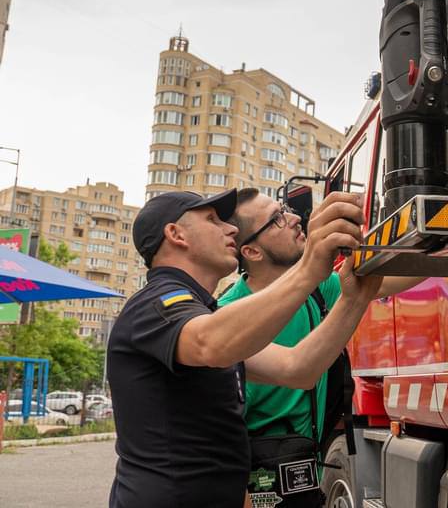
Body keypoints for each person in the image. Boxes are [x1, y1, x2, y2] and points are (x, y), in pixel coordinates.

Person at [107, 188, 373, 508]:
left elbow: (297, 369)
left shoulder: (208, 316)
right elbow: (209, 343)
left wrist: (355, 299)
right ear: (176, 234)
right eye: (212, 220)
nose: (230, 229)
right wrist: (308, 268)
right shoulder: (155, 304)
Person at [218, 188, 422, 505]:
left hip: (304, 472)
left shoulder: (317, 289)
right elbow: (220, 439)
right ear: (252, 252)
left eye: (285, 208)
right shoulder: (227, 316)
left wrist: (437, 230)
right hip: (255, 483)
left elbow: (393, 278)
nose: (294, 218)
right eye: (276, 219)